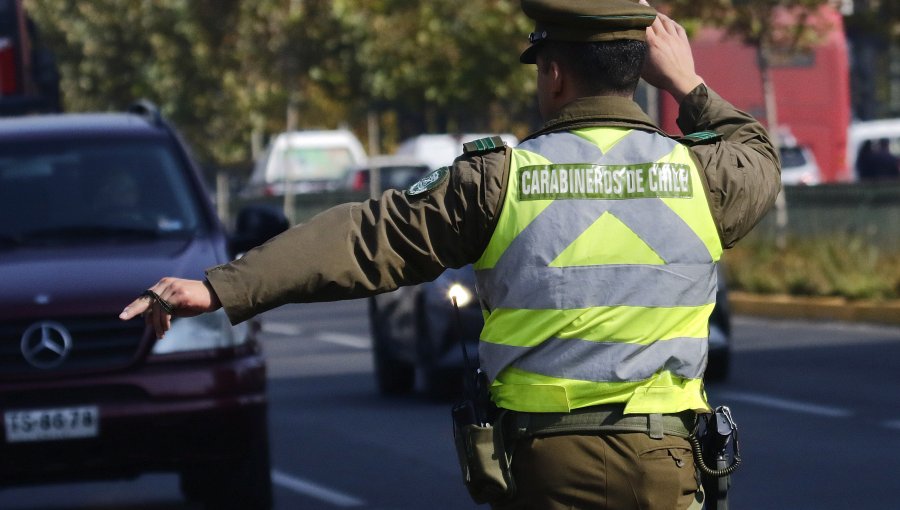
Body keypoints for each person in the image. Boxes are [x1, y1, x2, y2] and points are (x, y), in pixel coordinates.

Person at [121, 1, 781, 508]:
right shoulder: (706, 177)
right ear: (640, 70)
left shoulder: (501, 178)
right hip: (665, 462)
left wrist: (221, 288)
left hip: (544, 462)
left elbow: (363, 238)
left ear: (553, 74)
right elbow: (756, 151)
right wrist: (688, 84)